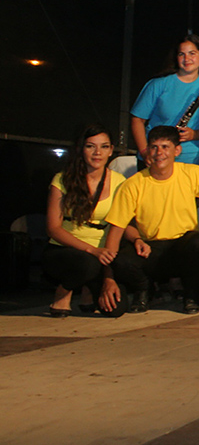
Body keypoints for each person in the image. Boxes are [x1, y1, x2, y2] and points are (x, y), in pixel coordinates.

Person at [103, 126, 199, 314]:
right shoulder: (133, 184)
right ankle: (143, 290)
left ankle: (191, 296)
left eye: (165, 147)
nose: (159, 153)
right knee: (122, 260)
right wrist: (108, 278)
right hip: (149, 249)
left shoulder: (191, 173)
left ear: (177, 151)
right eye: (154, 147)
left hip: (181, 248)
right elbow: (116, 230)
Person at [43, 126, 126, 317]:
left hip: (103, 253)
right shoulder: (62, 179)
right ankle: (64, 291)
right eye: (91, 146)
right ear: (81, 149)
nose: (98, 153)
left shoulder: (120, 182)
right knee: (88, 264)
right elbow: (53, 229)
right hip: (65, 250)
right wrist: (91, 250)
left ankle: (89, 289)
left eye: (104, 147)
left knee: (117, 309)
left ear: (111, 150)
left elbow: (123, 224)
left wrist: (138, 239)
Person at [130, 35, 199, 165]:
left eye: (192, 53)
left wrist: (195, 135)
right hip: (156, 158)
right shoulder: (158, 84)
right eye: (182, 54)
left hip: (192, 161)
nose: (187, 59)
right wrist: (144, 152)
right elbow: (137, 120)